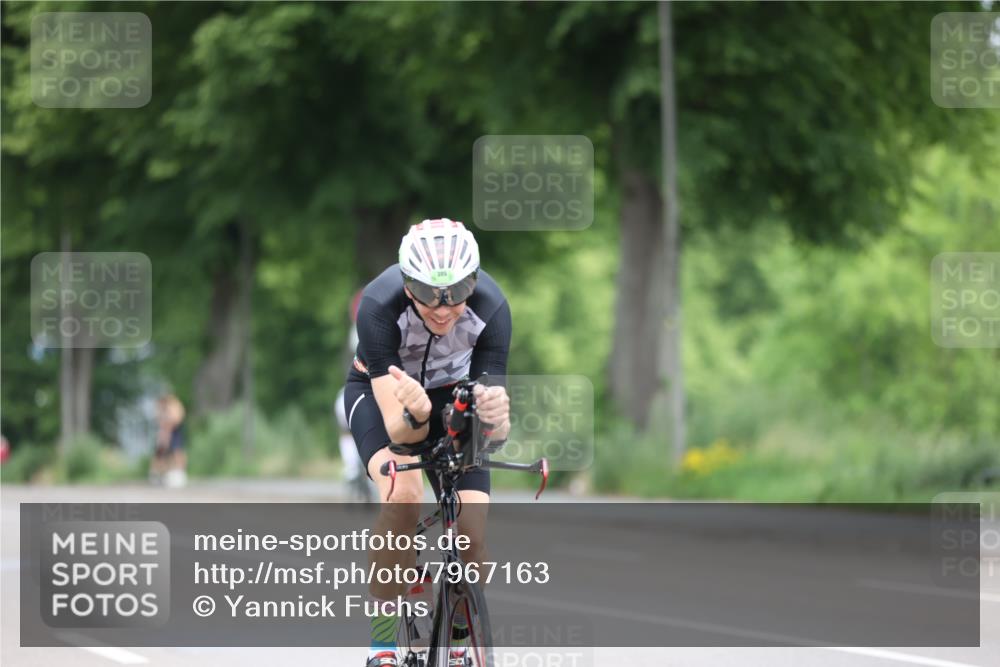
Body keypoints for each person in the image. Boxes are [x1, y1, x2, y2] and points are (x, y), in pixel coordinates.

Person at [344, 219, 512, 667]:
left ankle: (459, 639)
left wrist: (497, 420)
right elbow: (403, 435)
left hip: (453, 398)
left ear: (473, 282)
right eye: (428, 295)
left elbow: (490, 428)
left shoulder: (493, 309)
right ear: (406, 283)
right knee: (404, 497)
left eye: (457, 295)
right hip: (388, 401)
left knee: (472, 535)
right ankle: (381, 645)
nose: (443, 310)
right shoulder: (378, 306)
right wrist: (417, 412)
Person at [150, 394, 187, 488]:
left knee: (176, 452)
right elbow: (159, 420)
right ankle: (160, 474)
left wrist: (167, 426)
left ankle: (179, 473)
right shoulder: (161, 408)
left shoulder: (174, 406)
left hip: (174, 431)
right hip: (164, 432)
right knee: (160, 454)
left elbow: (176, 419)